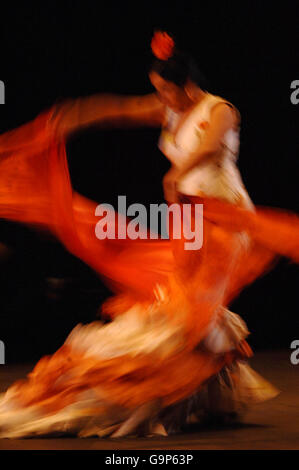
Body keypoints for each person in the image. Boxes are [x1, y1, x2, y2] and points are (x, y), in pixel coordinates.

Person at [0, 31, 298, 439]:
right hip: (189, 219)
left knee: (192, 305)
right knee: (181, 304)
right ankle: (186, 396)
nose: (160, 98)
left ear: (185, 85)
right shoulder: (170, 110)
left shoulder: (220, 109)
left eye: (165, 90)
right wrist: (72, 116)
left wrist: (177, 170)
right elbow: (120, 109)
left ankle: (164, 393)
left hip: (224, 217)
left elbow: (210, 148)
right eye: (156, 91)